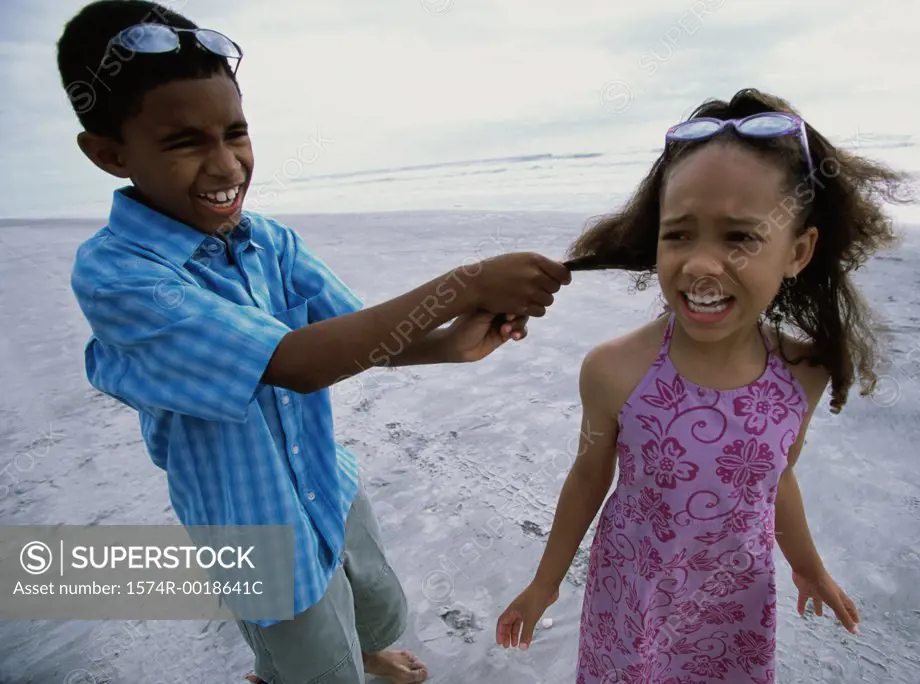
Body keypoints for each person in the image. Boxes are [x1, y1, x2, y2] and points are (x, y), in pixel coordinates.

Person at [56, 2, 571, 683]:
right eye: (184, 143)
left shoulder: (268, 239)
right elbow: (294, 363)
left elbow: (353, 334)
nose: (224, 164)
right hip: (251, 522)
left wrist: (449, 343)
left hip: (325, 479)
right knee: (307, 656)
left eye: (235, 132)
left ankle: (368, 652)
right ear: (109, 154)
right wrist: (470, 281)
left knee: (373, 600)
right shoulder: (118, 277)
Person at [496, 88, 919, 682]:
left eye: (740, 237)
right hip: (634, 596)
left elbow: (778, 478)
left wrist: (807, 567)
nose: (699, 264)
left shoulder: (803, 374)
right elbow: (590, 474)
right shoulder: (614, 369)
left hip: (734, 606)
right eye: (679, 234)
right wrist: (545, 584)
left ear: (797, 251)